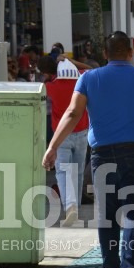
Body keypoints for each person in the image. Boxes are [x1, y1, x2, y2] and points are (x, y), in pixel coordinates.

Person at [41, 31, 134, 268]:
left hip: (103, 155)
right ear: (131, 53)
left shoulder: (88, 78)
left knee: (107, 214)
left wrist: (52, 147)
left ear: (105, 54)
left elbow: (72, 113)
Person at [45, 59, 90, 227]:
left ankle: (70, 206)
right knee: (77, 172)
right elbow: (91, 68)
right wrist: (72, 60)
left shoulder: (51, 87)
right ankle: (75, 207)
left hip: (61, 134)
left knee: (63, 171)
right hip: (82, 132)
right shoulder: (82, 82)